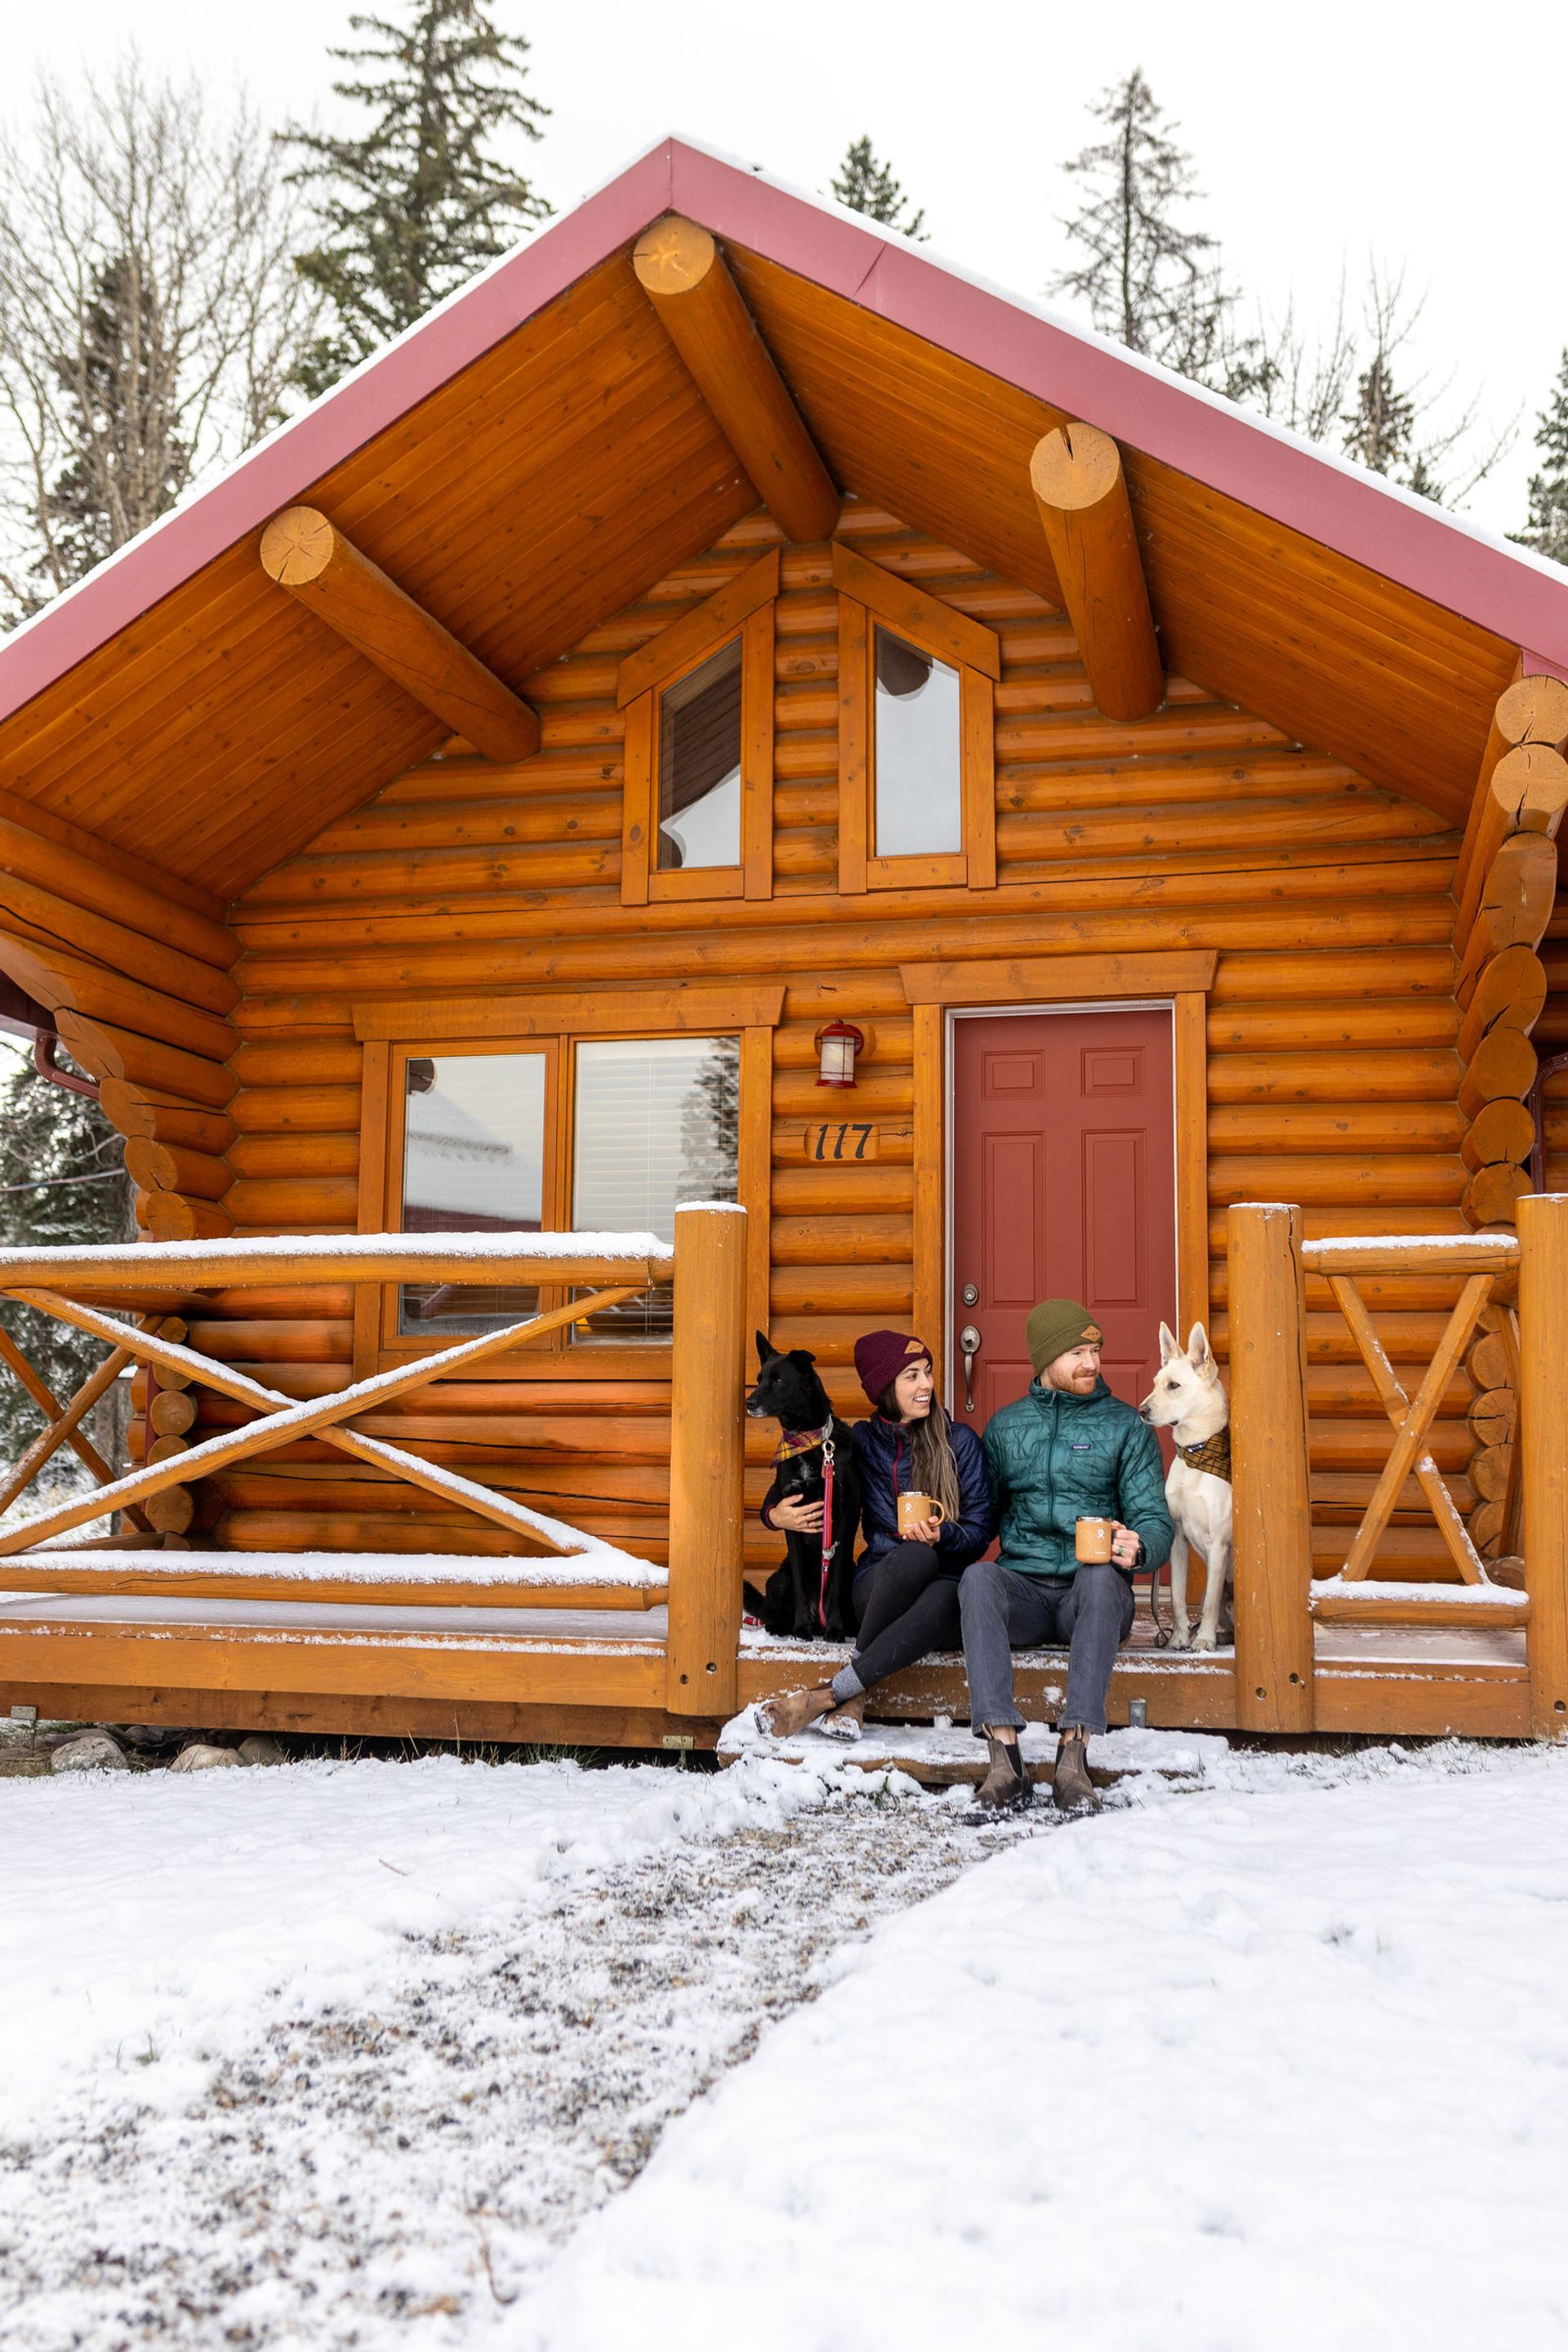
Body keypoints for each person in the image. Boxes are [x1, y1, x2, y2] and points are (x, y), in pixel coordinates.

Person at [962, 1298, 1173, 1815]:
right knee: (978, 1578)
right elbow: (980, 1521)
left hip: (1092, 1595)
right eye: (1078, 1352)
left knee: (1102, 1580)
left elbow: (1155, 1520)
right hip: (1026, 1591)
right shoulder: (1007, 1428)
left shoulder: (1126, 1427)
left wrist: (1138, 1545)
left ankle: (1073, 1755)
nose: (1092, 1363)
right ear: (1045, 1360)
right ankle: (1004, 1757)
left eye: (1096, 1350)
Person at [760, 1330, 995, 1738]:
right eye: (911, 1376)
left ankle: (836, 1696)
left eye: (927, 1373)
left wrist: (943, 1537)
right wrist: (774, 1516)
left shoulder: (961, 1443)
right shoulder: (860, 1442)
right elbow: (785, 1492)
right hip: (879, 1582)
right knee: (913, 1557)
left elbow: (980, 1531)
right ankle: (848, 1695)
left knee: (935, 1581)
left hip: (943, 1583)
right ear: (885, 1388)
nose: (926, 1385)